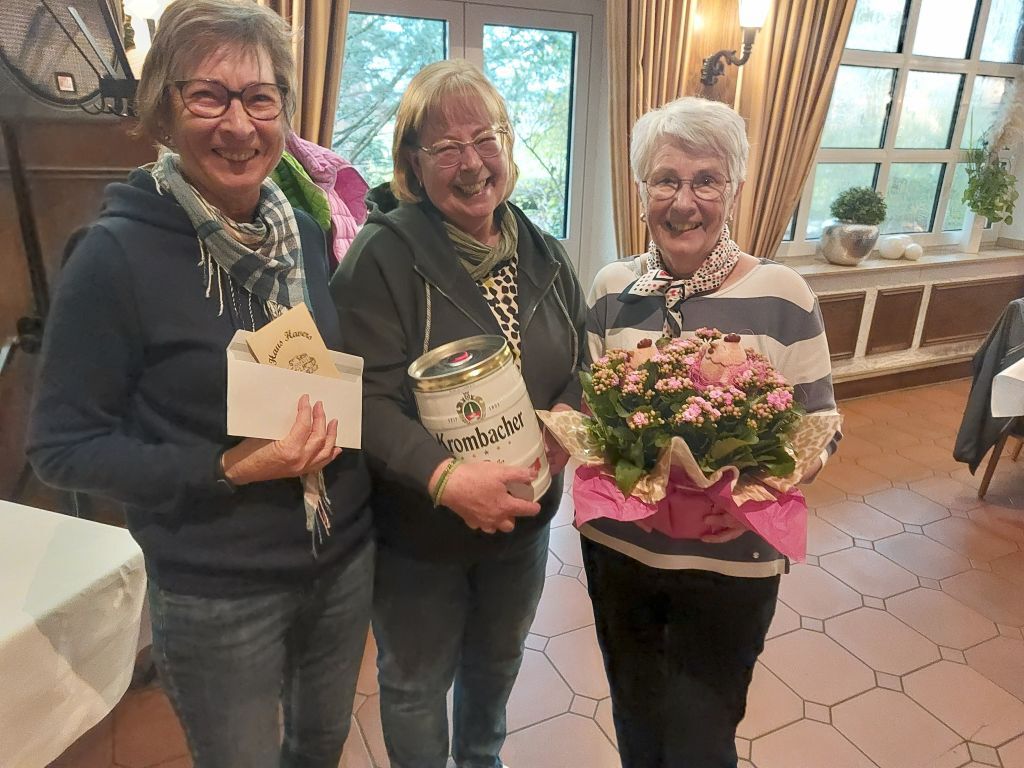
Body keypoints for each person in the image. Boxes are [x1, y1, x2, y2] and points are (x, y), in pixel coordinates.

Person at [26, 2, 373, 766]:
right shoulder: (112, 255)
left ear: (285, 109)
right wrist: (222, 467)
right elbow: (61, 449)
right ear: (163, 107)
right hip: (220, 590)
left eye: (260, 97)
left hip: (341, 558)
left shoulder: (304, 232)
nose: (240, 125)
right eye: (208, 95)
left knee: (319, 745)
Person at [331, 59, 586, 768]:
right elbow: (362, 396)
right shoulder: (382, 256)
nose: (472, 163)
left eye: (486, 138)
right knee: (414, 684)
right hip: (422, 534)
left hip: (526, 521)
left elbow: (587, 358)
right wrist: (445, 479)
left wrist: (568, 414)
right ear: (413, 162)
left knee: (496, 666)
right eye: (446, 148)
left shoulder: (543, 251)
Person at [581, 96, 839, 767]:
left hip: (732, 564)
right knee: (637, 725)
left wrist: (752, 491)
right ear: (641, 189)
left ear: (735, 188)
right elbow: (590, 422)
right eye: (666, 179)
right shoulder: (611, 289)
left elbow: (820, 431)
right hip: (623, 557)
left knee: (701, 739)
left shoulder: (784, 295)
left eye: (706, 180)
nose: (684, 201)